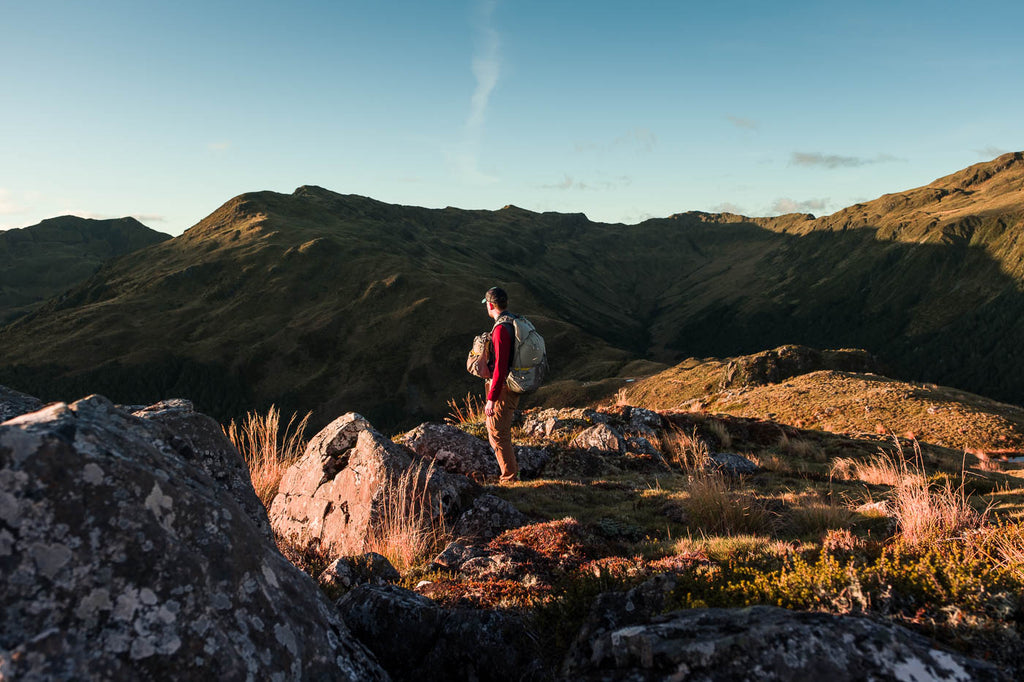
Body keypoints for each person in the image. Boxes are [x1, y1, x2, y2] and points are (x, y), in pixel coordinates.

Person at [481, 286, 519, 483]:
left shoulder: (500, 330)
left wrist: (491, 399)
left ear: (490, 305)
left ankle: (509, 478)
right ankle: (510, 474)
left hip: (504, 388)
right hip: (511, 384)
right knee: (498, 431)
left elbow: (500, 369)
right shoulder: (513, 321)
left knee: (497, 432)